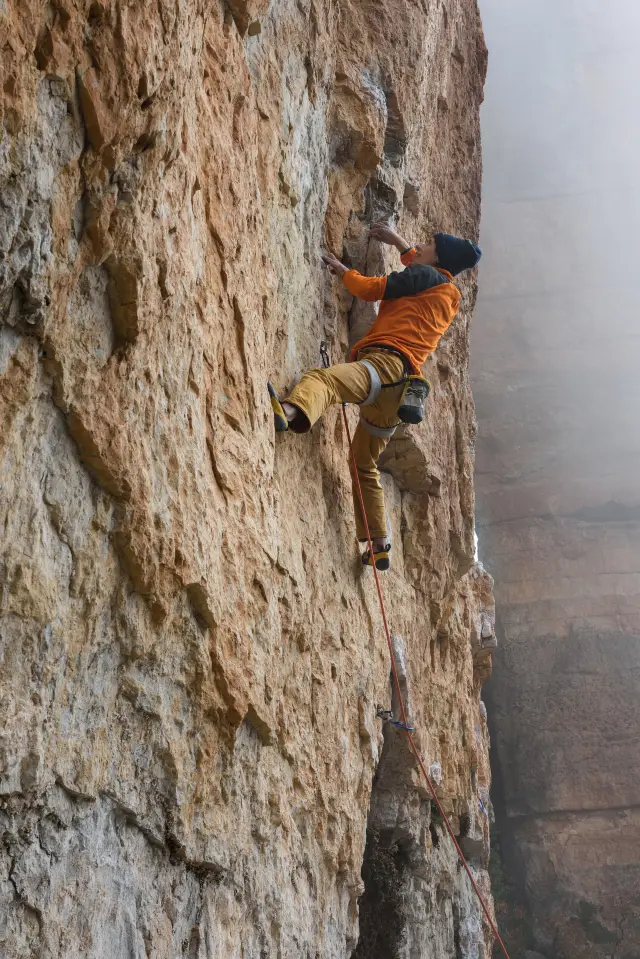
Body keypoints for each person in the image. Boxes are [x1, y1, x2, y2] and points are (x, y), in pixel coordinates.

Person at [268, 222, 481, 570]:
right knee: (363, 463)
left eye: (428, 244)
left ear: (437, 259)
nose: (420, 246)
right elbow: (417, 263)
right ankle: (379, 544)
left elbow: (373, 290)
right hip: (401, 396)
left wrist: (344, 273)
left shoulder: (425, 279)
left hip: (384, 366)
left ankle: (289, 412)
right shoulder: (447, 294)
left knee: (325, 380)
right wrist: (397, 240)